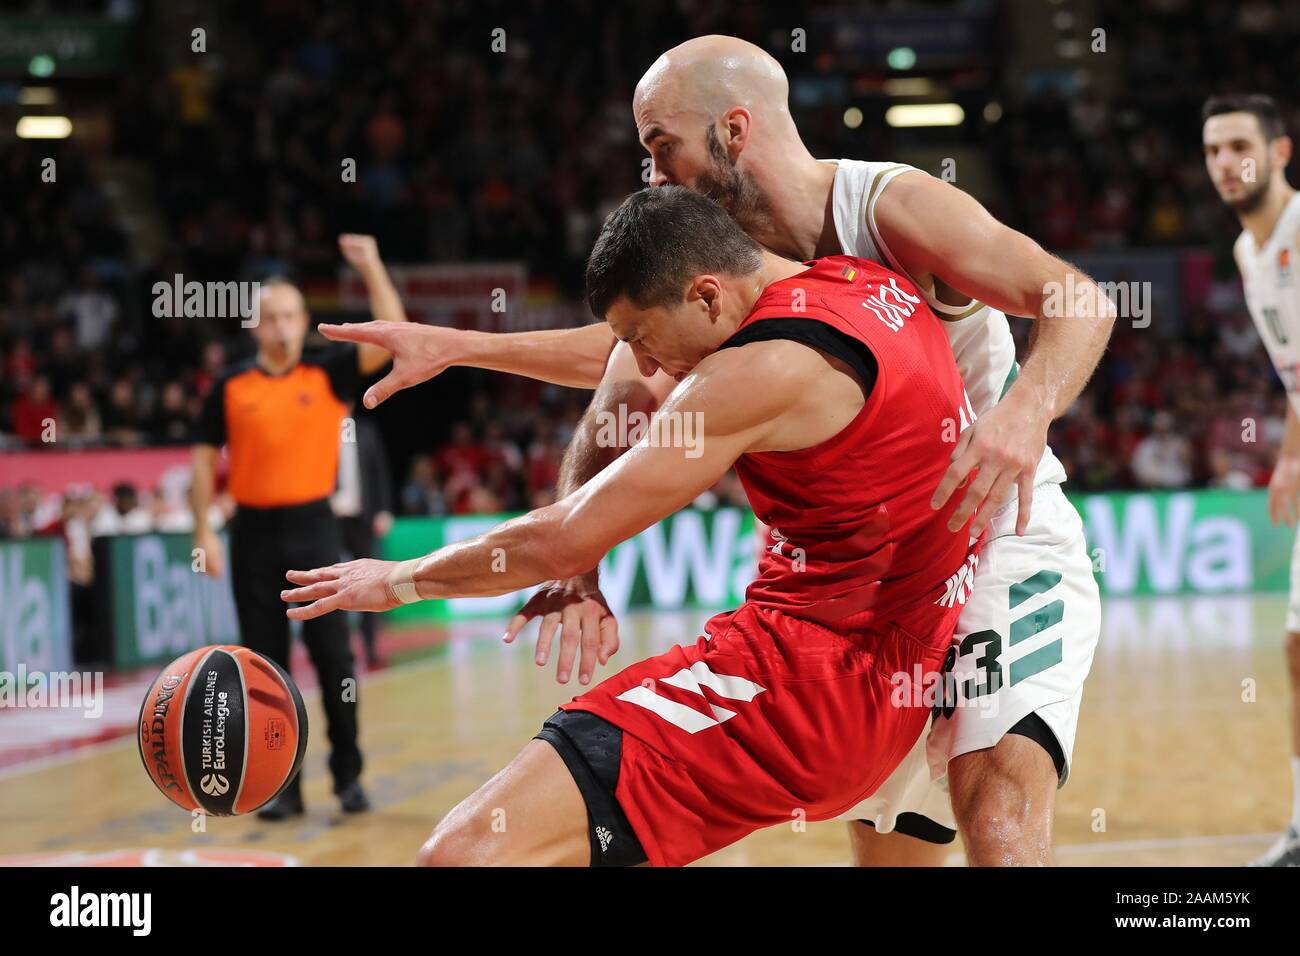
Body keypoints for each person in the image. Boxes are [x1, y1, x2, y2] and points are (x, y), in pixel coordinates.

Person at [316, 36, 1111, 865]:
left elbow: (1075, 297)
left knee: (998, 816)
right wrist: (462, 348)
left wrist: (1027, 410)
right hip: (871, 582)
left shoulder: (887, 211)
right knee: (893, 853)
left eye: (663, 147)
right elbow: (633, 354)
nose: (651, 175)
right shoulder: (725, 269)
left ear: (734, 131)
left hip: (994, 525)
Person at [282, 186, 981, 866]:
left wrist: (397, 581)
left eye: (642, 338)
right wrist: (459, 346)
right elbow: (615, 353)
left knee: (465, 855)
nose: (641, 364)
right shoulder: (858, 278)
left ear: (707, 294)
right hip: (910, 682)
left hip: (806, 689)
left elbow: (561, 539)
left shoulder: (756, 373)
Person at [191, 238, 405, 818]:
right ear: (255, 327)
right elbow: (204, 459)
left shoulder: (328, 372)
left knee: (336, 662)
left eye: (289, 316)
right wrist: (204, 532)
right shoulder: (231, 386)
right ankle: (280, 788)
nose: (281, 327)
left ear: (303, 321)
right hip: (252, 536)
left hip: (315, 532)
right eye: (270, 318)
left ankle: (348, 777)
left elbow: (392, 334)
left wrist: (370, 265)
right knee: (264, 671)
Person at [1203, 92, 1300, 866]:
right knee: (1297, 649)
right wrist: (1290, 456)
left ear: (1279, 153)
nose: (1225, 163)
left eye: (1240, 145)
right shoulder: (1247, 253)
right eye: (1211, 151)